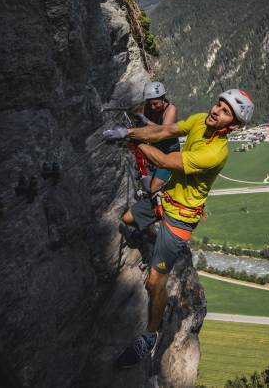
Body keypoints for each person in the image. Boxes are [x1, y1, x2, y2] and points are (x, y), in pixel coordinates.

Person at [102, 88, 255, 368]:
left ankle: (149, 336)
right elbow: (164, 132)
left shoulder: (215, 153)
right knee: (127, 220)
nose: (215, 111)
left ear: (232, 126)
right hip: (166, 199)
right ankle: (155, 243)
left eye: (224, 111)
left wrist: (129, 141)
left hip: (180, 218)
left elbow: (164, 160)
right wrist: (130, 132)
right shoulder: (199, 120)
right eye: (217, 104)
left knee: (154, 281)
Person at [138, 81, 179, 195]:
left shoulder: (171, 109)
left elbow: (164, 131)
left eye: (155, 103)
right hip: (154, 152)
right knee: (146, 186)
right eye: (150, 104)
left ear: (163, 98)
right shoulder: (147, 107)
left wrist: (146, 121)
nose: (153, 107)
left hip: (168, 154)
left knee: (155, 187)